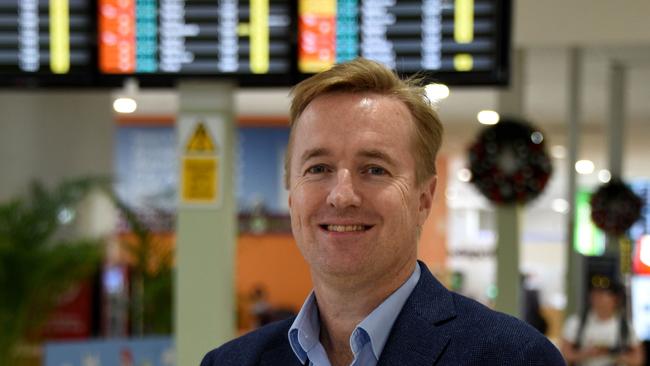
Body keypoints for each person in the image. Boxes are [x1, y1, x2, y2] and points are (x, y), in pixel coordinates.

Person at [201, 58, 565, 365]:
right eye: (318, 168)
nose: (342, 196)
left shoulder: (513, 357)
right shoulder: (231, 362)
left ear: (424, 198)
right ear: (291, 194)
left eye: (375, 169)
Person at [560, 277, 645, 366]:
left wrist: (613, 354)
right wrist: (586, 353)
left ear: (615, 299)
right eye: (595, 294)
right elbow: (564, 353)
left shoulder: (625, 326)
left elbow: (638, 359)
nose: (598, 299)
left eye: (603, 294)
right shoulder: (577, 322)